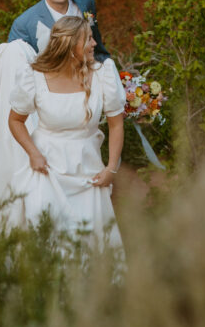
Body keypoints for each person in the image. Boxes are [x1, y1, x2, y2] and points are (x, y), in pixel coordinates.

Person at [0, 0, 119, 238]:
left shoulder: (86, 4)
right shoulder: (26, 22)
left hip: (84, 84)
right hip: (49, 95)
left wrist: (112, 80)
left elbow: (99, 46)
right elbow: (17, 64)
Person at [7, 15, 125, 250]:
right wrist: (33, 153)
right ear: (70, 46)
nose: (95, 44)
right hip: (46, 168)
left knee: (90, 236)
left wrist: (111, 168)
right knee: (47, 233)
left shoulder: (103, 73)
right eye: (89, 40)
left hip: (88, 169)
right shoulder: (35, 77)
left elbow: (116, 124)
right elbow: (15, 121)